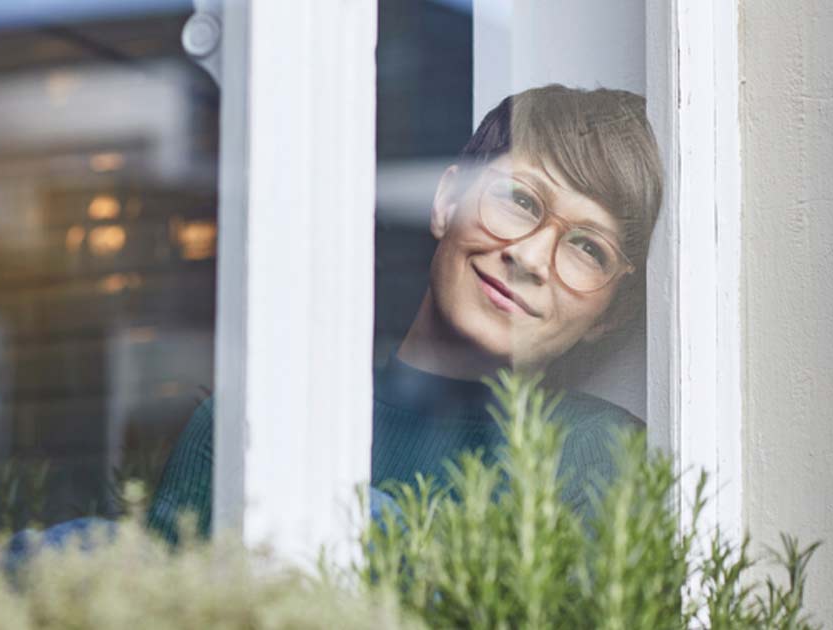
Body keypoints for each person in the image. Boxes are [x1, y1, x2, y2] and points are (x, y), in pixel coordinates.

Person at [148, 84, 663, 543]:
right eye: (520, 201)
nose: (529, 257)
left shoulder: (599, 455)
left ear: (611, 314)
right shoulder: (261, 419)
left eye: (588, 248)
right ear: (446, 201)